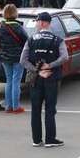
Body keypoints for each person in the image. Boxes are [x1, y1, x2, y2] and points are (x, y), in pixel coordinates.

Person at [20, 12, 68, 147]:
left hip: (36, 79)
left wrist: (36, 69)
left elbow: (22, 60)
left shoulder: (31, 39)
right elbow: (65, 57)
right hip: (52, 78)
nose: (35, 24)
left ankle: (36, 139)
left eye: (36, 21)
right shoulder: (58, 39)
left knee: (35, 109)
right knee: (50, 108)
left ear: (42, 23)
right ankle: (50, 139)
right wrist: (50, 65)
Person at [0, 4, 28, 113]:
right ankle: (16, 106)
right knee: (16, 81)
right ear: (15, 13)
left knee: (9, 81)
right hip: (17, 56)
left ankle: (8, 106)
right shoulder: (18, 27)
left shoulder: (1, 27)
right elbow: (27, 40)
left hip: (5, 57)